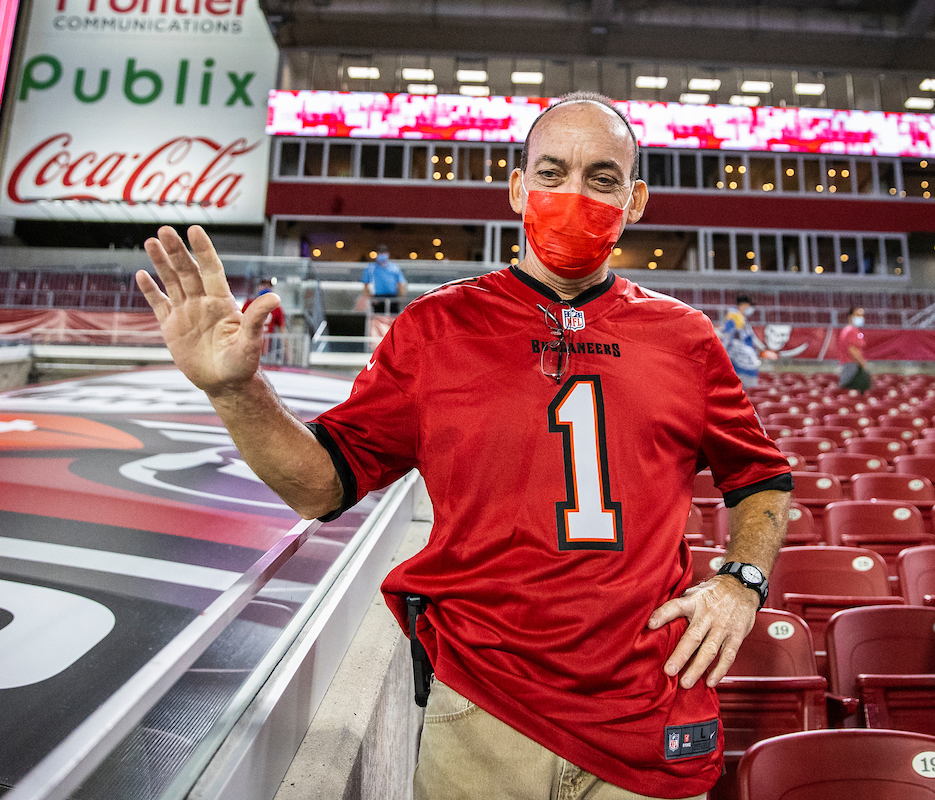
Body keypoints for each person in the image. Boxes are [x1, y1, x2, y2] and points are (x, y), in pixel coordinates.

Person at [135, 91, 793, 800]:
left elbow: (762, 478)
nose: (574, 194)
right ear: (517, 189)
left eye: (602, 179)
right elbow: (318, 485)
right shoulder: (434, 329)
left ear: (634, 201)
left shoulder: (686, 338)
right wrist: (235, 392)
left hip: (649, 710)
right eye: (551, 173)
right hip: (486, 709)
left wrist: (742, 581)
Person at [719, 294, 762, 388]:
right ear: (743, 305)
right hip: (739, 360)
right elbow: (727, 335)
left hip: (742, 360)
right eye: (748, 306)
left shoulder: (739, 318)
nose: (750, 308)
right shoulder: (734, 318)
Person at [241, 277, 287, 364]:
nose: (266, 288)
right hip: (249, 345)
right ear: (259, 287)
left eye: (268, 286)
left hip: (267, 349)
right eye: (263, 285)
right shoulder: (249, 304)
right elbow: (240, 322)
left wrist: (287, 352)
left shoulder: (277, 308)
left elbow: (282, 329)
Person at [360, 245, 407, 313]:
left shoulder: (394, 267)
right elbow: (365, 284)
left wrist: (399, 298)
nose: (382, 255)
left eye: (384, 253)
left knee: (393, 318)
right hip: (378, 298)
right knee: (379, 318)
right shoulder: (371, 268)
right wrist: (370, 298)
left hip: (393, 297)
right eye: (380, 253)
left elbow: (401, 283)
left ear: (388, 254)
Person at [838, 305, 869, 392]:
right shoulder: (851, 331)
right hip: (852, 366)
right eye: (858, 315)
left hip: (848, 365)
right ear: (851, 316)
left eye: (862, 315)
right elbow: (852, 349)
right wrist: (862, 363)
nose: (861, 318)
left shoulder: (848, 330)